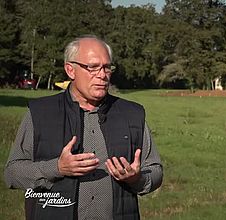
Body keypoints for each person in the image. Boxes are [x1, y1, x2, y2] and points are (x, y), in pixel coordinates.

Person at [4, 35, 163, 220]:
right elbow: (12, 173)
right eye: (93, 67)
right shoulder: (40, 113)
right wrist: (56, 168)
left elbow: (156, 171)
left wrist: (136, 178)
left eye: (106, 67)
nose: (102, 75)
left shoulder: (132, 114)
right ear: (70, 70)